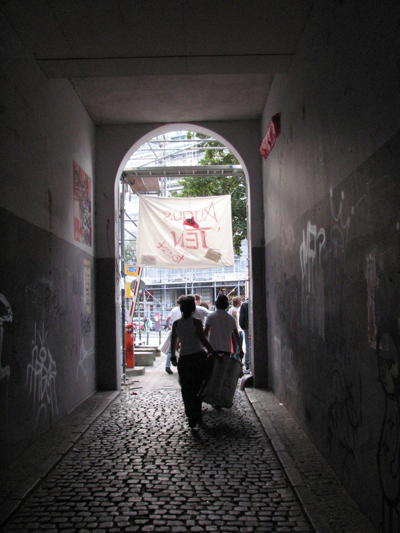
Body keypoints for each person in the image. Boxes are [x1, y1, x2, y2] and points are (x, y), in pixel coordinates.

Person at [170, 296, 218, 429]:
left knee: (186, 389)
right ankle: (197, 414)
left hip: (184, 359)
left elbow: (174, 341)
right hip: (197, 358)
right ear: (193, 309)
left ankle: (190, 414)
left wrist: (173, 356)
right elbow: (203, 340)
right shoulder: (196, 322)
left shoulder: (176, 324)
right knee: (198, 387)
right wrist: (213, 352)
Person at [204, 294, 244, 360]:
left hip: (213, 349)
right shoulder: (230, 318)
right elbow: (236, 335)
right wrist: (240, 349)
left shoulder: (210, 317)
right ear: (227, 305)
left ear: (216, 304)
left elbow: (205, 333)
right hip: (226, 349)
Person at [165, 295, 186, 374]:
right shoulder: (183, 310)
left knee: (172, 348)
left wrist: (169, 326)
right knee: (182, 348)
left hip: (174, 330)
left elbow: (167, 319)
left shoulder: (174, 309)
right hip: (182, 331)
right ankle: (180, 366)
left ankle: (167, 365)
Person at [228, 296, 244, 361]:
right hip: (234, 331)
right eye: (240, 301)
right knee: (235, 349)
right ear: (238, 302)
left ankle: (239, 362)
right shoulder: (231, 310)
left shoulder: (240, 309)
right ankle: (235, 362)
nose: (241, 302)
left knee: (240, 348)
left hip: (240, 330)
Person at [239, 299, 251, 373]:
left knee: (248, 346)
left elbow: (241, 318)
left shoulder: (244, 304)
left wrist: (243, 327)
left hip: (247, 328)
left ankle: (248, 365)